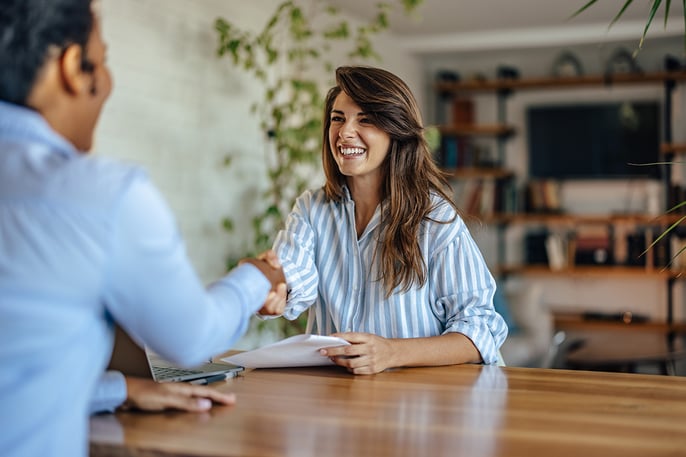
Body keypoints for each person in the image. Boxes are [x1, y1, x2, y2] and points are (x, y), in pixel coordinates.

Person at [0, 1, 285, 456]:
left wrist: (119, 390)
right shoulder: (102, 195)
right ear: (75, 67)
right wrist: (259, 276)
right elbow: (191, 337)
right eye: (104, 58)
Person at [268, 66, 508, 374]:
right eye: (338, 118)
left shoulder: (433, 218)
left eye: (365, 120)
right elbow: (290, 272)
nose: (345, 132)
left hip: (419, 406)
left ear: (396, 131)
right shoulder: (312, 208)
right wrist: (269, 288)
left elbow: (481, 331)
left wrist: (391, 353)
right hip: (339, 397)